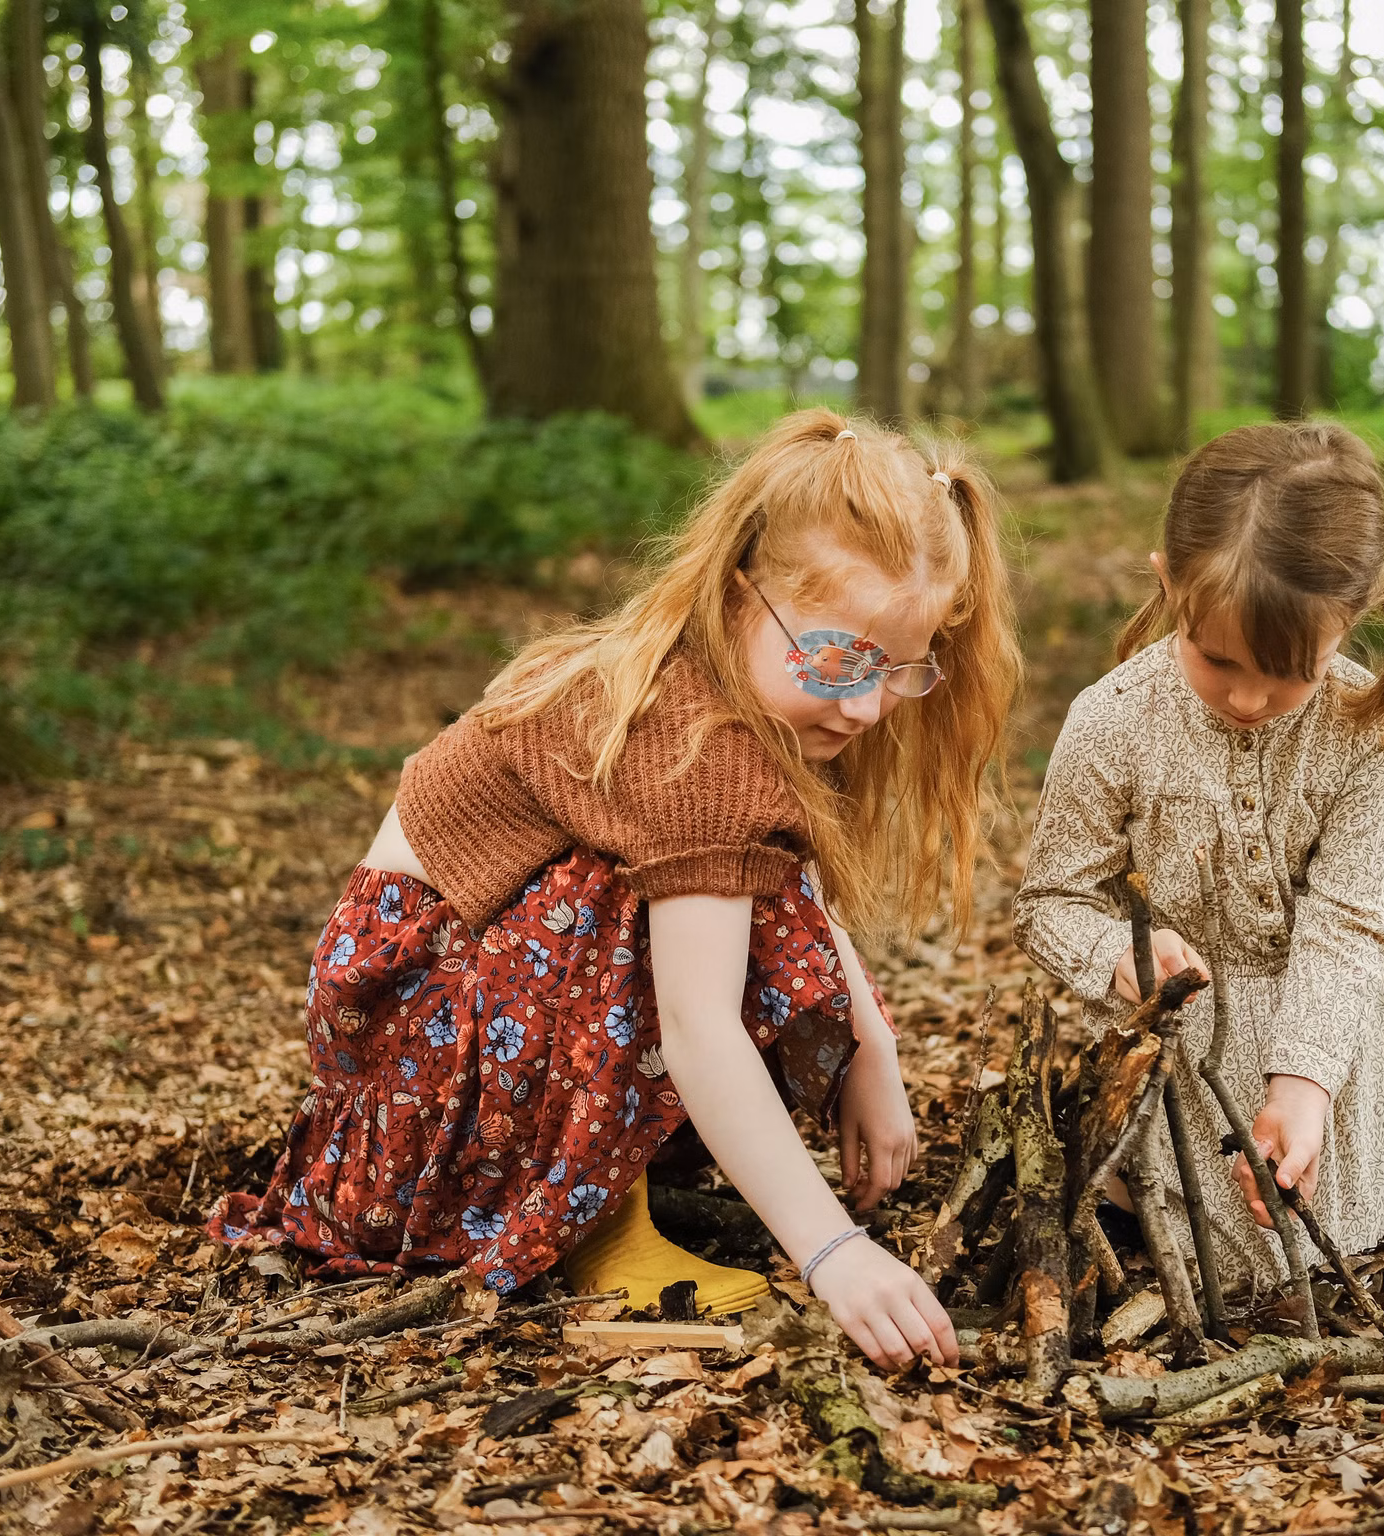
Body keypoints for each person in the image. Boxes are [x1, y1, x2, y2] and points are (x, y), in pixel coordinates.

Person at [208, 410, 1020, 1370]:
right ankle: (588, 1225)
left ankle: (597, 1179)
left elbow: (785, 885)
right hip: (414, 1079)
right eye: (838, 658)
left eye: (899, 668)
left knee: (733, 890)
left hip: (444, 1048)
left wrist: (869, 1038)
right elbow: (697, 1021)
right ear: (738, 596)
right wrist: (834, 1254)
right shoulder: (691, 748)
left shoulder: (711, 685)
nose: (865, 704)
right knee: (640, 906)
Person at [1014, 421, 1384, 1289]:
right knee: (1244, 1274)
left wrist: (1305, 1086)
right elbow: (1051, 900)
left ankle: (1380, 1174)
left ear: (1351, 623)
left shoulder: (1371, 720)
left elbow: (1348, 914)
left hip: (1340, 1026)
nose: (1249, 698)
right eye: (1219, 661)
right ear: (1168, 582)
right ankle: (1140, 1197)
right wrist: (1120, 958)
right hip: (1188, 1047)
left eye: (1290, 671)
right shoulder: (1112, 722)